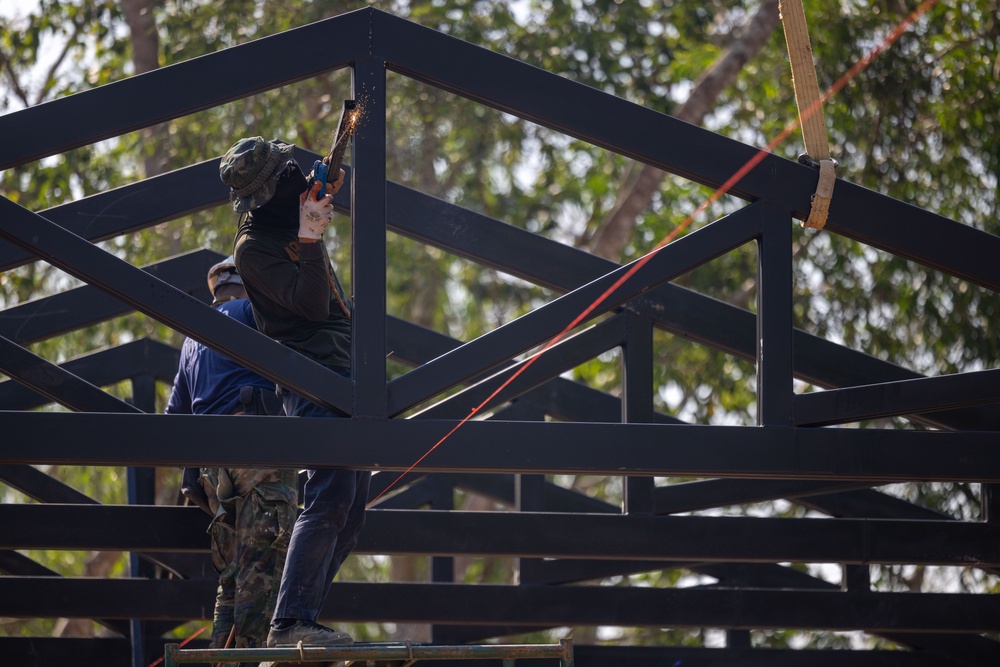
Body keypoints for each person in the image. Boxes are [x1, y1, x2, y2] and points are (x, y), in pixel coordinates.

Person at [219, 136, 371, 648]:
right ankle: (289, 623)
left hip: (344, 369)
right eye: (284, 180)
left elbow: (311, 186)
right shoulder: (253, 248)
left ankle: (303, 619)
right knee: (329, 495)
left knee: (351, 509)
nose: (294, 180)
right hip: (312, 378)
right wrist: (310, 234)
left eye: (291, 174)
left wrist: (325, 189)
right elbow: (310, 305)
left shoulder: (288, 203)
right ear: (261, 198)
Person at [166, 256, 298, 653]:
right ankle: (252, 656)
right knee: (264, 566)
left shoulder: (192, 341)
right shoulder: (252, 313)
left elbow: (174, 416)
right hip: (256, 453)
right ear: (249, 284)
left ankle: (221, 656)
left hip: (213, 471)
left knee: (232, 576)